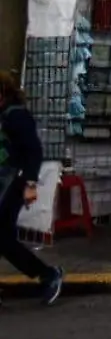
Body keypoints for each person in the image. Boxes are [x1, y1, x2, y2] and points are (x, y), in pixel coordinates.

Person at [0, 71, 62, 304]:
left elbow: (33, 151)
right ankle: (47, 275)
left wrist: (30, 184)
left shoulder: (16, 116)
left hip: (13, 183)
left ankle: (48, 275)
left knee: (3, 237)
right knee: (4, 239)